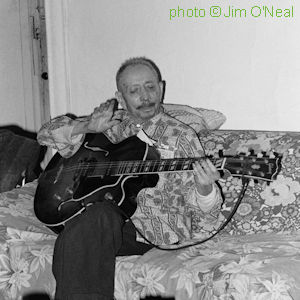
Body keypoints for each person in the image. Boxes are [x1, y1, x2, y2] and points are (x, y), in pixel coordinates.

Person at [37, 57, 224, 300]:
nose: (145, 96)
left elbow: (205, 218)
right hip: (87, 215)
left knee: (88, 226)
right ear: (120, 96)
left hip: (145, 228)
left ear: (161, 88)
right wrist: (86, 128)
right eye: (133, 90)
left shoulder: (181, 136)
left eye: (150, 87)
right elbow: (44, 135)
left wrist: (205, 189)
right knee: (87, 226)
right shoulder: (108, 125)